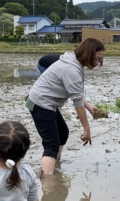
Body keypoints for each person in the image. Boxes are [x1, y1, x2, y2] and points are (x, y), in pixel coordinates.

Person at [26, 39, 103, 175]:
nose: (98, 63)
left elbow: (76, 93)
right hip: (40, 103)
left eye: (100, 59)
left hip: (47, 102)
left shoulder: (74, 61)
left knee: (63, 133)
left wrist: (89, 107)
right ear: (88, 54)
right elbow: (77, 103)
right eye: (97, 59)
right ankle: (48, 181)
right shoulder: (72, 69)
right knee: (51, 144)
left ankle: (54, 164)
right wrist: (87, 128)